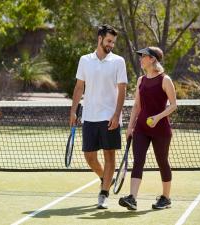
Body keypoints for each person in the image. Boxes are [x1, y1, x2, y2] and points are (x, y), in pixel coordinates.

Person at [69, 24, 128, 209]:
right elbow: (79, 87)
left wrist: (117, 115)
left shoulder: (118, 61)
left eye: (113, 42)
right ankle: (106, 178)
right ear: (100, 38)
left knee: (109, 156)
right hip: (89, 117)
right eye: (109, 41)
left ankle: (104, 193)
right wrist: (73, 110)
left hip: (110, 117)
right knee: (89, 156)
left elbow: (122, 90)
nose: (111, 44)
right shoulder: (85, 60)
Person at [118, 47, 177, 210]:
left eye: (143, 56)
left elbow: (173, 105)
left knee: (162, 162)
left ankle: (165, 198)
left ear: (152, 59)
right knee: (138, 161)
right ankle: (132, 198)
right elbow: (137, 105)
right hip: (141, 129)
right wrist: (130, 127)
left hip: (161, 130)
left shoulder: (165, 80)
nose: (140, 59)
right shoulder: (140, 80)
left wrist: (158, 117)